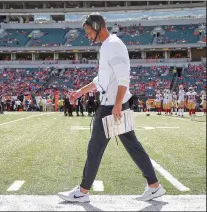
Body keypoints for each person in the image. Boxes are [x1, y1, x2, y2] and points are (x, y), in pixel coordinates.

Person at [58, 13, 166, 203]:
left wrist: (116, 105)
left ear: (98, 26)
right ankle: (154, 186)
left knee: (95, 147)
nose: (87, 35)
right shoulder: (108, 46)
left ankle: (82, 191)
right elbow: (102, 81)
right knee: (132, 145)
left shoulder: (113, 45)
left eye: (88, 31)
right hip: (115, 104)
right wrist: (79, 92)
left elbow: (124, 77)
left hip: (111, 106)